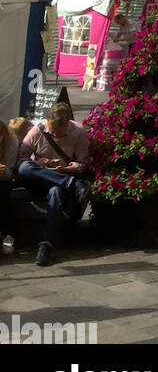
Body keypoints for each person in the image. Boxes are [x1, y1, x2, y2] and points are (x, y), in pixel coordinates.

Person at [17, 103, 92, 266]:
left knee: (56, 192)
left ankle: (47, 244)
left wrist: (67, 168)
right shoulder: (38, 130)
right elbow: (21, 159)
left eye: (54, 132)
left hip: (61, 178)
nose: (51, 133)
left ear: (65, 124)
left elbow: (83, 163)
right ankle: (73, 184)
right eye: (49, 130)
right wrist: (37, 161)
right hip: (39, 179)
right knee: (24, 167)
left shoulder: (78, 132)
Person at [0, 119, 19, 257]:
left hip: (4, 180)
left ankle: (6, 235)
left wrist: (4, 170)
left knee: (3, 193)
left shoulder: (11, 141)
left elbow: (9, 172)